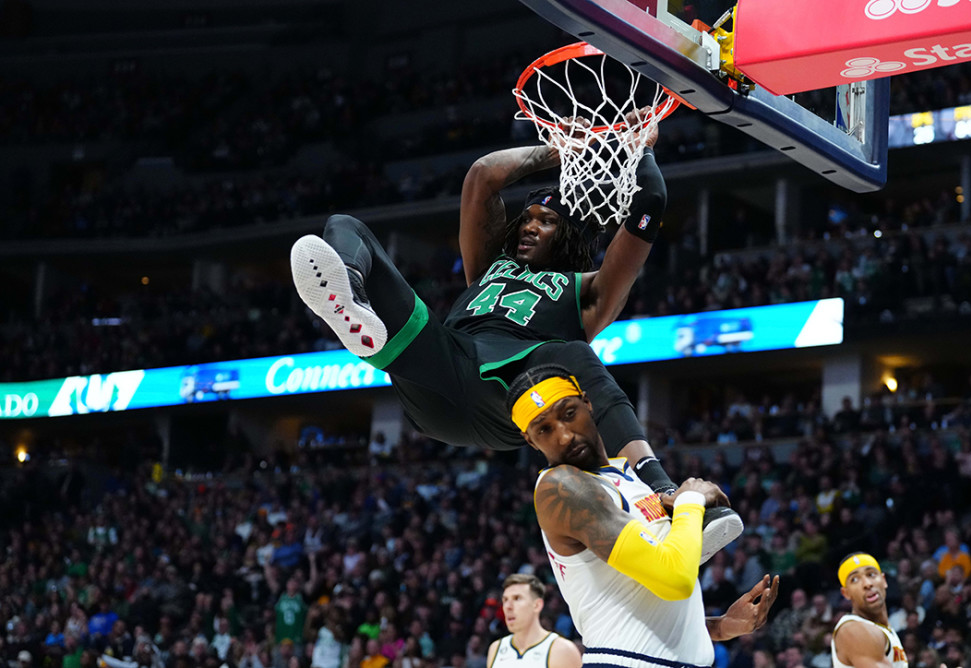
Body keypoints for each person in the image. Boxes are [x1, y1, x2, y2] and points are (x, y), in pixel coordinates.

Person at [289, 110, 740, 557]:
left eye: (544, 220)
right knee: (345, 227)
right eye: (526, 217)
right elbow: (483, 175)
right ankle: (353, 301)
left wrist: (640, 148)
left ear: (568, 237)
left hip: (513, 399)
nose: (528, 225)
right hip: (439, 370)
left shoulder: (590, 290)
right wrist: (564, 149)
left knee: (573, 354)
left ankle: (660, 490)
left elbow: (650, 204)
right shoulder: (488, 267)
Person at [506, 363, 780, 668]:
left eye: (569, 413)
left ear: (587, 402)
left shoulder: (626, 478)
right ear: (530, 441)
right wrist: (690, 498)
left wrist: (721, 626)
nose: (565, 436)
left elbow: (640, 601)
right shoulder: (563, 488)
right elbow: (674, 578)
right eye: (544, 429)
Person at [831, 553, 909, 668]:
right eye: (855, 579)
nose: (867, 584)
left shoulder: (883, 629)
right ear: (846, 593)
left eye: (871, 574)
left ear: (884, 580)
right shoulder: (853, 630)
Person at [486, 574, 580, 668]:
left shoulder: (562, 650)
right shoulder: (496, 648)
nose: (508, 606)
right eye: (505, 600)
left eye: (517, 598)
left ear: (537, 605)